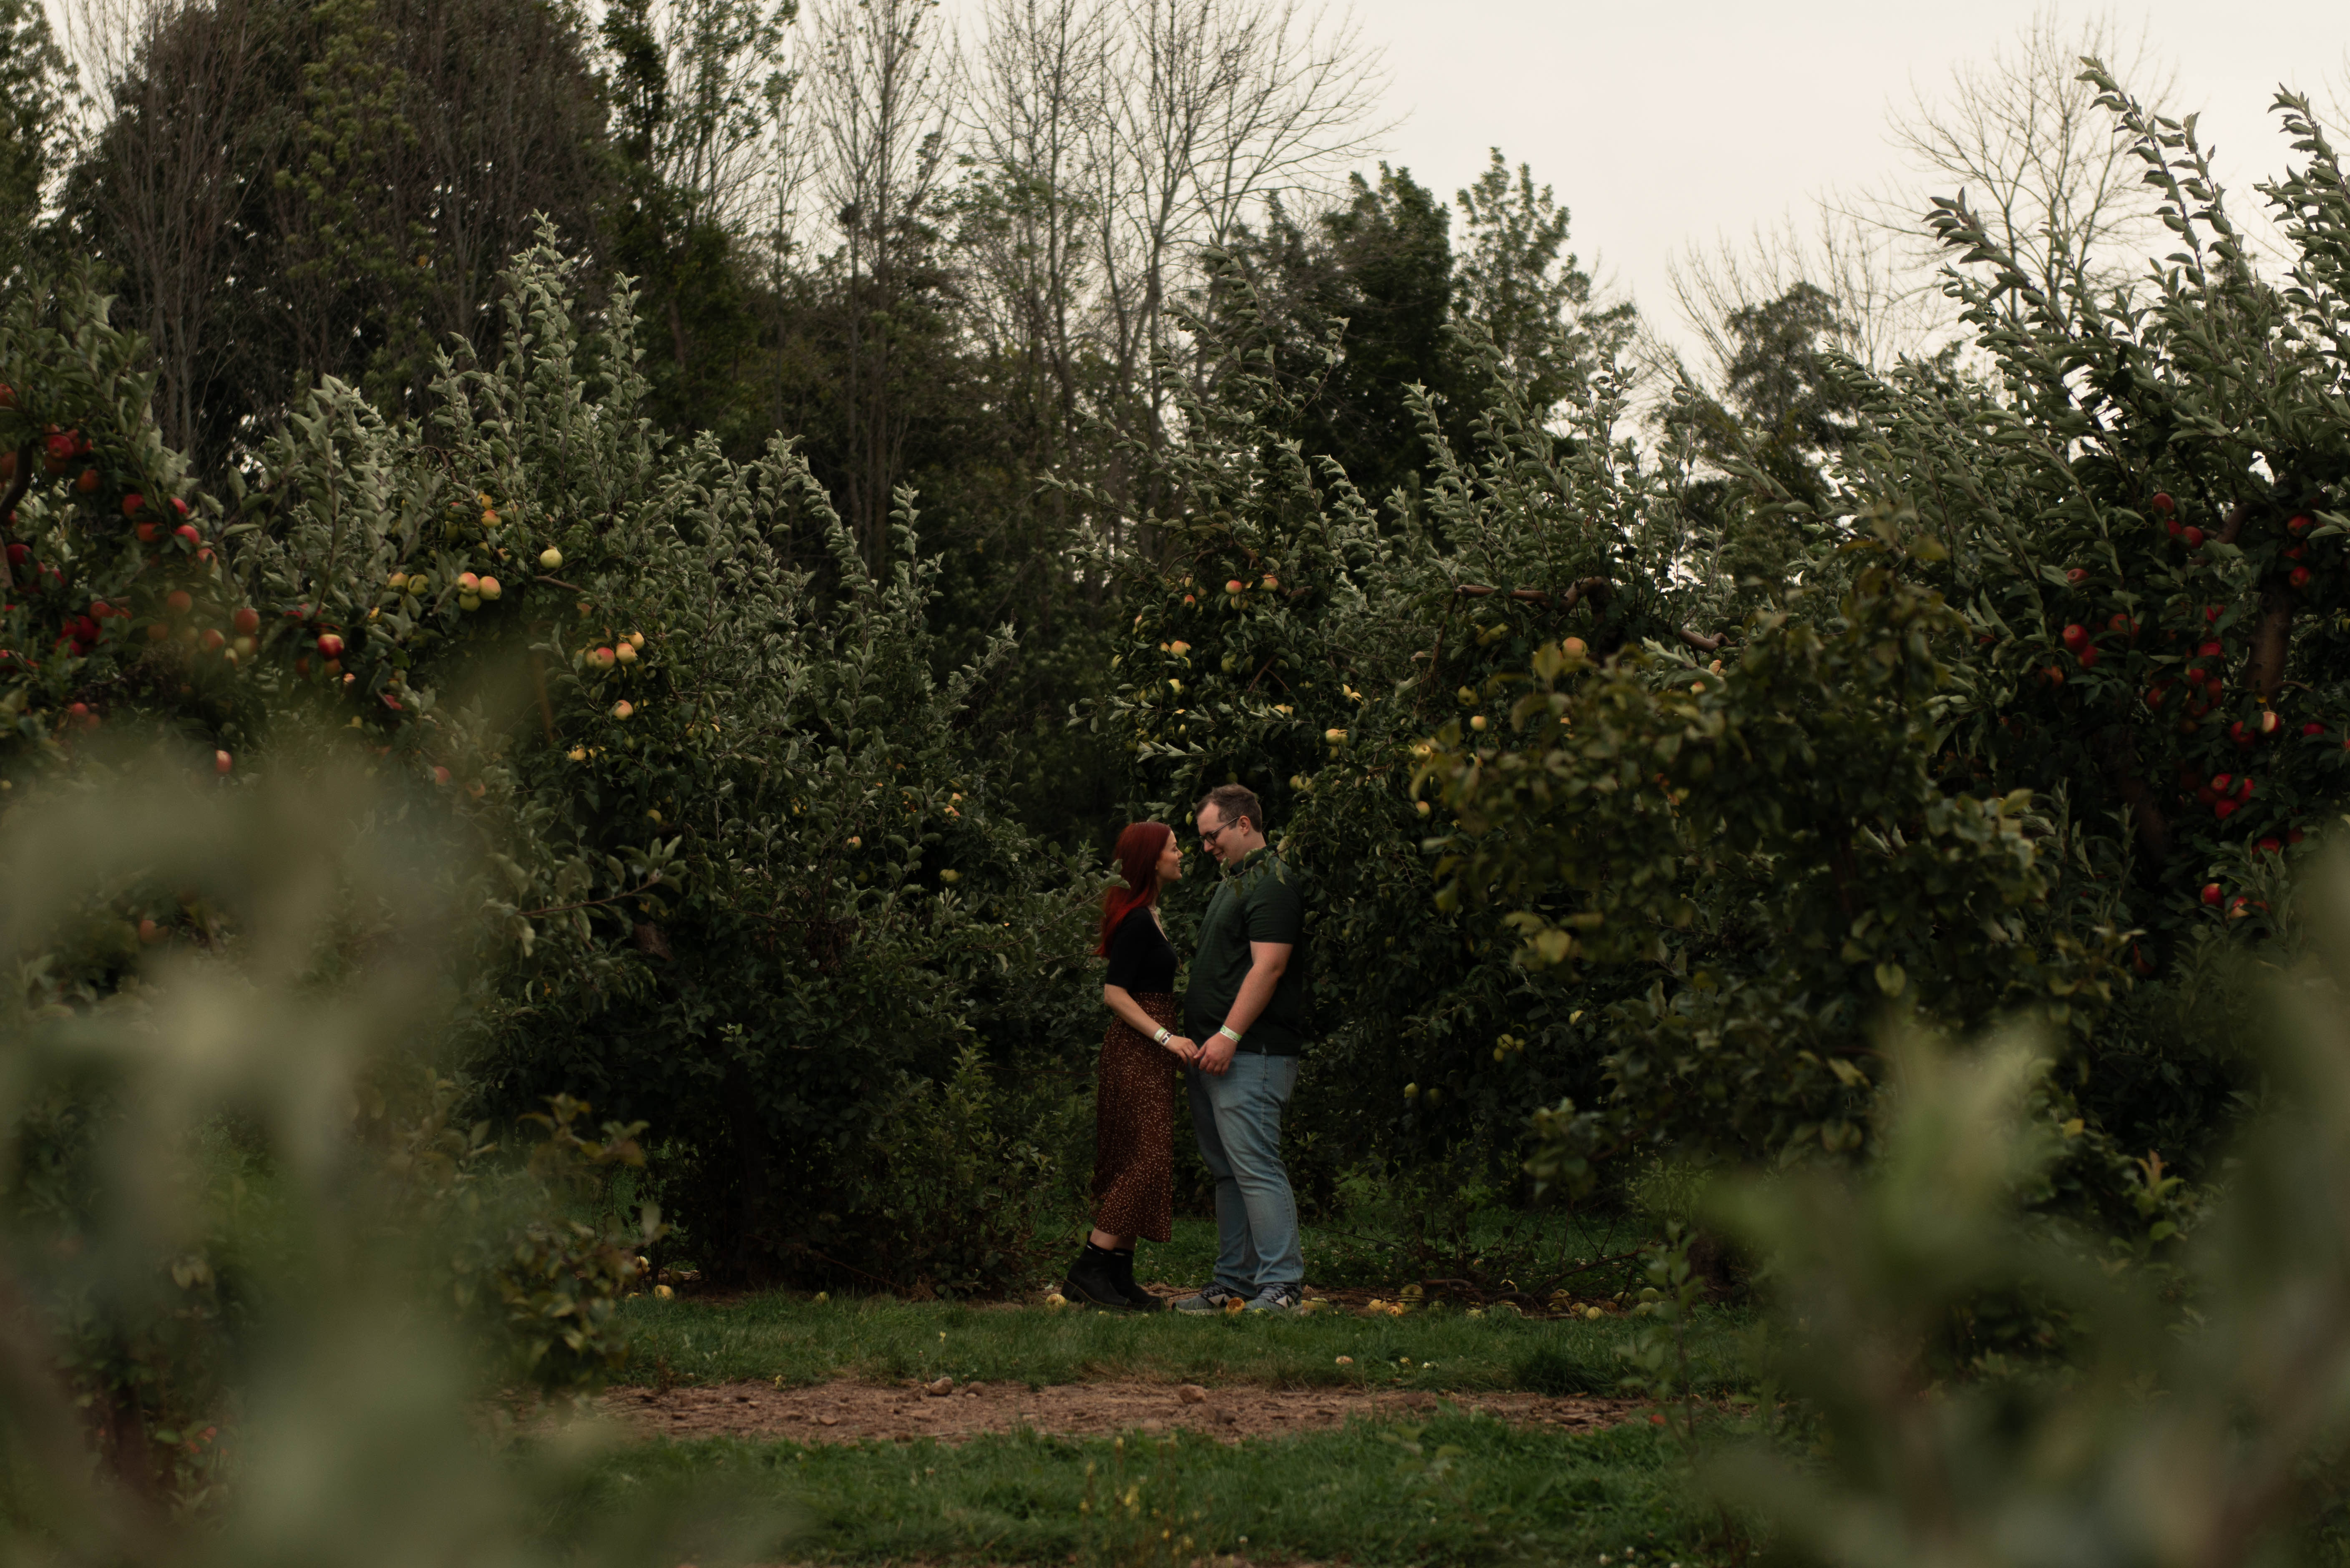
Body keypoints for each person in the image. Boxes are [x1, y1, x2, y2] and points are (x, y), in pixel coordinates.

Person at [1171, 784, 1309, 1315]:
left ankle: (1283, 1287)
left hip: (1252, 1053)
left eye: (1212, 836)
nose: (1206, 847)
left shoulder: (1272, 883)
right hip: (1215, 1056)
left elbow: (1269, 966)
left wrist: (1228, 1036)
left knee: (1255, 1166)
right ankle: (1234, 1282)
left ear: (1244, 825)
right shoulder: (1237, 882)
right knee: (1229, 1171)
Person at [1061, 822, 1198, 1310]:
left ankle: (1119, 1277)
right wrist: (1167, 1036)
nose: (1182, 854)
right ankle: (1089, 1268)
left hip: (1149, 1052)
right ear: (1151, 859)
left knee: (1139, 1156)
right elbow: (1114, 993)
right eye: (1174, 847)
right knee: (1146, 1158)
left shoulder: (1151, 915)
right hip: (1138, 1050)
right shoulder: (1138, 919)